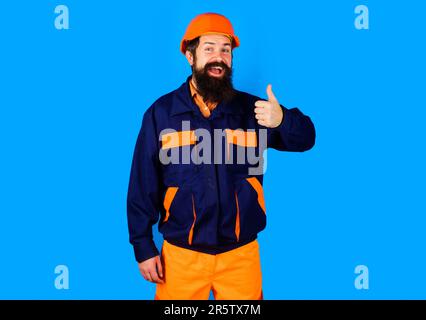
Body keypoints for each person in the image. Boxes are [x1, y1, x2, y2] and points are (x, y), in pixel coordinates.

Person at [127, 12, 316, 300]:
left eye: (225, 50)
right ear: (190, 56)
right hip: (181, 259)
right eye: (209, 48)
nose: (219, 57)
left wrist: (282, 120)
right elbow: (142, 185)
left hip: (241, 256)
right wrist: (143, 246)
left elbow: (306, 139)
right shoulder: (161, 114)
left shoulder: (254, 112)